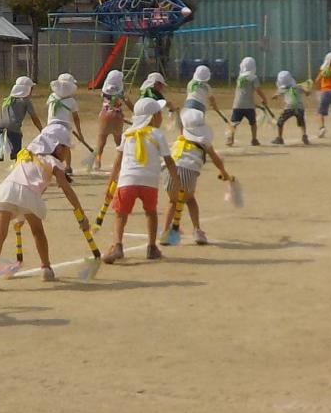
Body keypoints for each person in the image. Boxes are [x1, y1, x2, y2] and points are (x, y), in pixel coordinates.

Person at [0, 123, 79, 287]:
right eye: (67, 148)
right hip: (27, 194)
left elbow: (27, 183)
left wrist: (20, 212)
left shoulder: (27, 155)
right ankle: (46, 268)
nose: (67, 152)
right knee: (38, 232)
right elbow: (66, 188)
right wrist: (79, 212)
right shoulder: (51, 161)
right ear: (58, 147)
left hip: (5, 189)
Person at [103, 97, 179, 264]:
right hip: (149, 181)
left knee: (120, 214)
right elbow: (169, 161)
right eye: (159, 114)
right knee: (150, 213)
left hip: (127, 180)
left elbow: (118, 160)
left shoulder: (128, 133)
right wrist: (176, 181)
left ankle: (117, 245)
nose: (161, 117)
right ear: (152, 117)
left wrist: (111, 181)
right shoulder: (158, 134)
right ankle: (151, 247)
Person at [167, 106, 230, 244]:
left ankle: (166, 232)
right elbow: (216, 159)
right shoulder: (204, 142)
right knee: (190, 200)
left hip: (169, 173)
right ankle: (197, 230)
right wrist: (223, 172)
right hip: (188, 172)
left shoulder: (180, 138)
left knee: (173, 201)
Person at [0, 76, 37, 183]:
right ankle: (18, 177)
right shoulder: (25, 101)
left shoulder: (8, 99)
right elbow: (34, 117)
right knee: (18, 154)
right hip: (14, 129)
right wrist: (41, 129)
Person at [45, 72, 88, 154]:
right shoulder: (71, 101)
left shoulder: (51, 97)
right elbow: (76, 118)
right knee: (65, 147)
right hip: (64, 127)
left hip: (50, 125)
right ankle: (68, 166)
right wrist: (80, 134)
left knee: (52, 146)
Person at [93, 69, 129, 167]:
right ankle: (121, 161)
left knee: (102, 138)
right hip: (117, 116)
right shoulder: (120, 93)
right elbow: (127, 102)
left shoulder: (104, 92)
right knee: (118, 141)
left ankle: (98, 160)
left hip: (105, 115)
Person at [227, 57, 263, 147]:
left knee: (234, 123)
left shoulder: (240, 77)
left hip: (237, 104)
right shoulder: (253, 77)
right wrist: (264, 99)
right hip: (249, 105)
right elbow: (258, 90)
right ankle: (254, 139)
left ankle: (230, 139)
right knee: (253, 123)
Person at [270, 68, 309, 145]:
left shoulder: (284, 89)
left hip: (289, 108)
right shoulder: (298, 87)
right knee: (301, 122)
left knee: (280, 122)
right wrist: (307, 92)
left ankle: (279, 138)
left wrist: (274, 97)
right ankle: (304, 135)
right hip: (300, 107)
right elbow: (307, 93)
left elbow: (277, 94)